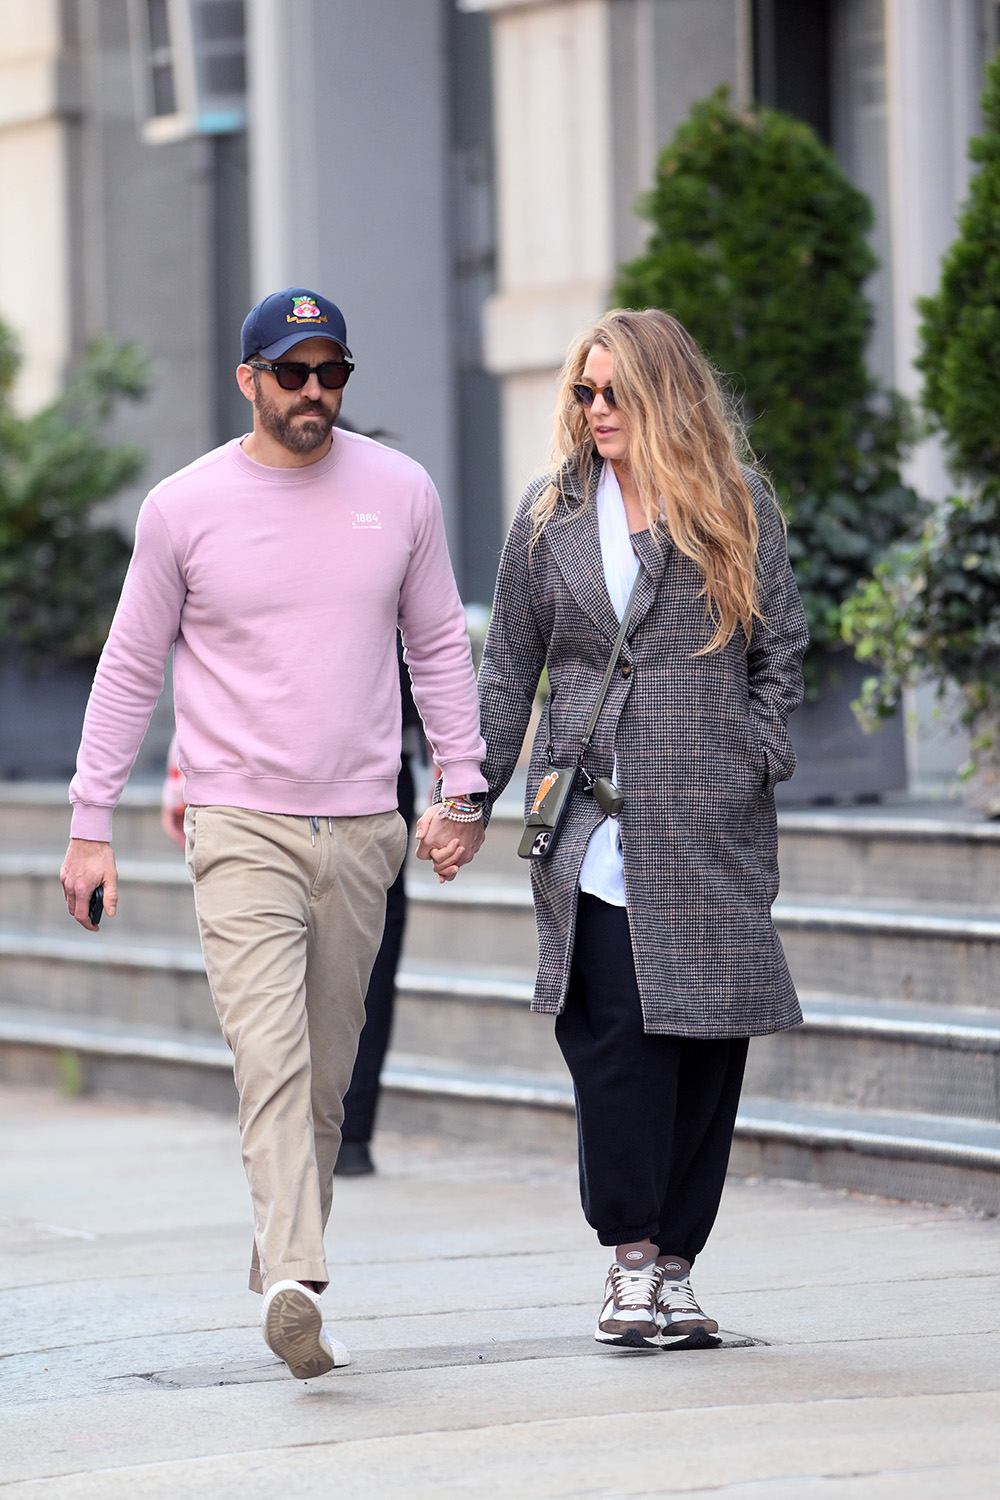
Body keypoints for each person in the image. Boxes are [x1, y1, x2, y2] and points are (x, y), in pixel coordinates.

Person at [60, 287, 485, 1380]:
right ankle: (300, 1277)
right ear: (248, 379)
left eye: (331, 372)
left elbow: (439, 644)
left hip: (363, 824)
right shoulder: (183, 507)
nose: (312, 393)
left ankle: (284, 1277)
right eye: (291, 373)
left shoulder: (400, 492)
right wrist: (90, 822)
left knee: (329, 1077)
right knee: (271, 1057)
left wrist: (462, 786)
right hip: (238, 817)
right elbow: (127, 669)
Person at [467, 308, 808, 1350]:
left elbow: (781, 649)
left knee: (707, 1047)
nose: (596, 410)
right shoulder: (549, 516)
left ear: (663, 394)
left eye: (614, 392)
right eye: (583, 392)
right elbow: (507, 667)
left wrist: (755, 754)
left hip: (711, 825)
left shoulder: (733, 504)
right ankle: (626, 1261)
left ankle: (678, 1265)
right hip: (588, 823)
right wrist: (469, 795)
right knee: (614, 1040)